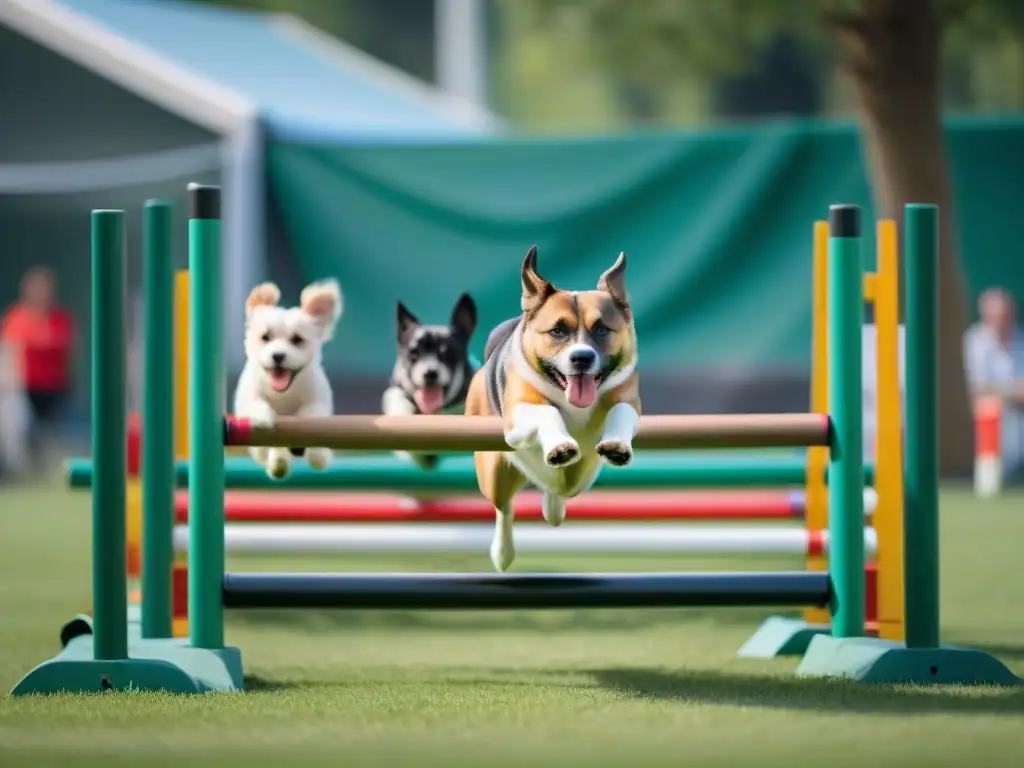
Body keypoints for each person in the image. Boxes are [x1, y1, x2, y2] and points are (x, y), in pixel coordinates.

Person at [0, 267, 76, 466]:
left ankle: (44, 466)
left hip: (53, 390)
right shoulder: (16, 319)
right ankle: (17, 468)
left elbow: (70, 354)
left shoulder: (60, 319)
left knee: (47, 436)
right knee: (17, 424)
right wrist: (11, 386)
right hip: (24, 389)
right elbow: (10, 354)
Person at [962, 287, 1024, 481]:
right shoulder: (975, 340)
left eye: (1005, 316)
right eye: (995, 316)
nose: (1000, 322)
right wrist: (1012, 390)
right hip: (992, 409)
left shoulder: (1020, 338)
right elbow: (978, 387)